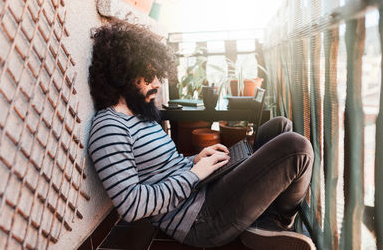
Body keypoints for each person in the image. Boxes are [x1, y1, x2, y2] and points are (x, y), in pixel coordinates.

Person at [87, 19, 315, 250]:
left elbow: (166, 167)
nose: (156, 83)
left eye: (156, 74)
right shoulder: (109, 129)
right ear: (121, 73)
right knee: (297, 148)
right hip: (198, 219)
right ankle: (275, 222)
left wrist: (195, 160)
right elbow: (131, 206)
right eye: (148, 76)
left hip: (203, 189)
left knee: (278, 126)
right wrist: (195, 175)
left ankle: (263, 221)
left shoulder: (139, 113)